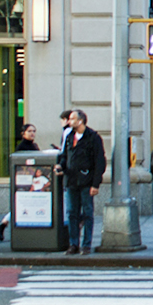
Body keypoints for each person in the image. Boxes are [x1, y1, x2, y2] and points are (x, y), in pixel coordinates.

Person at [58, 109, 106, 256]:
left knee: (87, 213)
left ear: (80, 121)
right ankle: (73, 244)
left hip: (86, 181)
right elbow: (65, 156)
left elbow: (100, 161)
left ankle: (86, 245)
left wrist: (95, 184)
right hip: (71, 180)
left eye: (72, 119)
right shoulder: (69, 136)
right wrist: (61, 166)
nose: (68, 121)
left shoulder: (93, 137)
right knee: (72, 212)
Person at [0, 123, 42, 241]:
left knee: (24, 205)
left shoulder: (34, 146)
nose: (32, 133)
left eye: (34, 131)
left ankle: (3, 224)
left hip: (32, 179)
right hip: (24, 179)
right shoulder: (21, 147)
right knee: (22, 205)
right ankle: (3, 224)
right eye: (29, 131)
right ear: (23, 133)